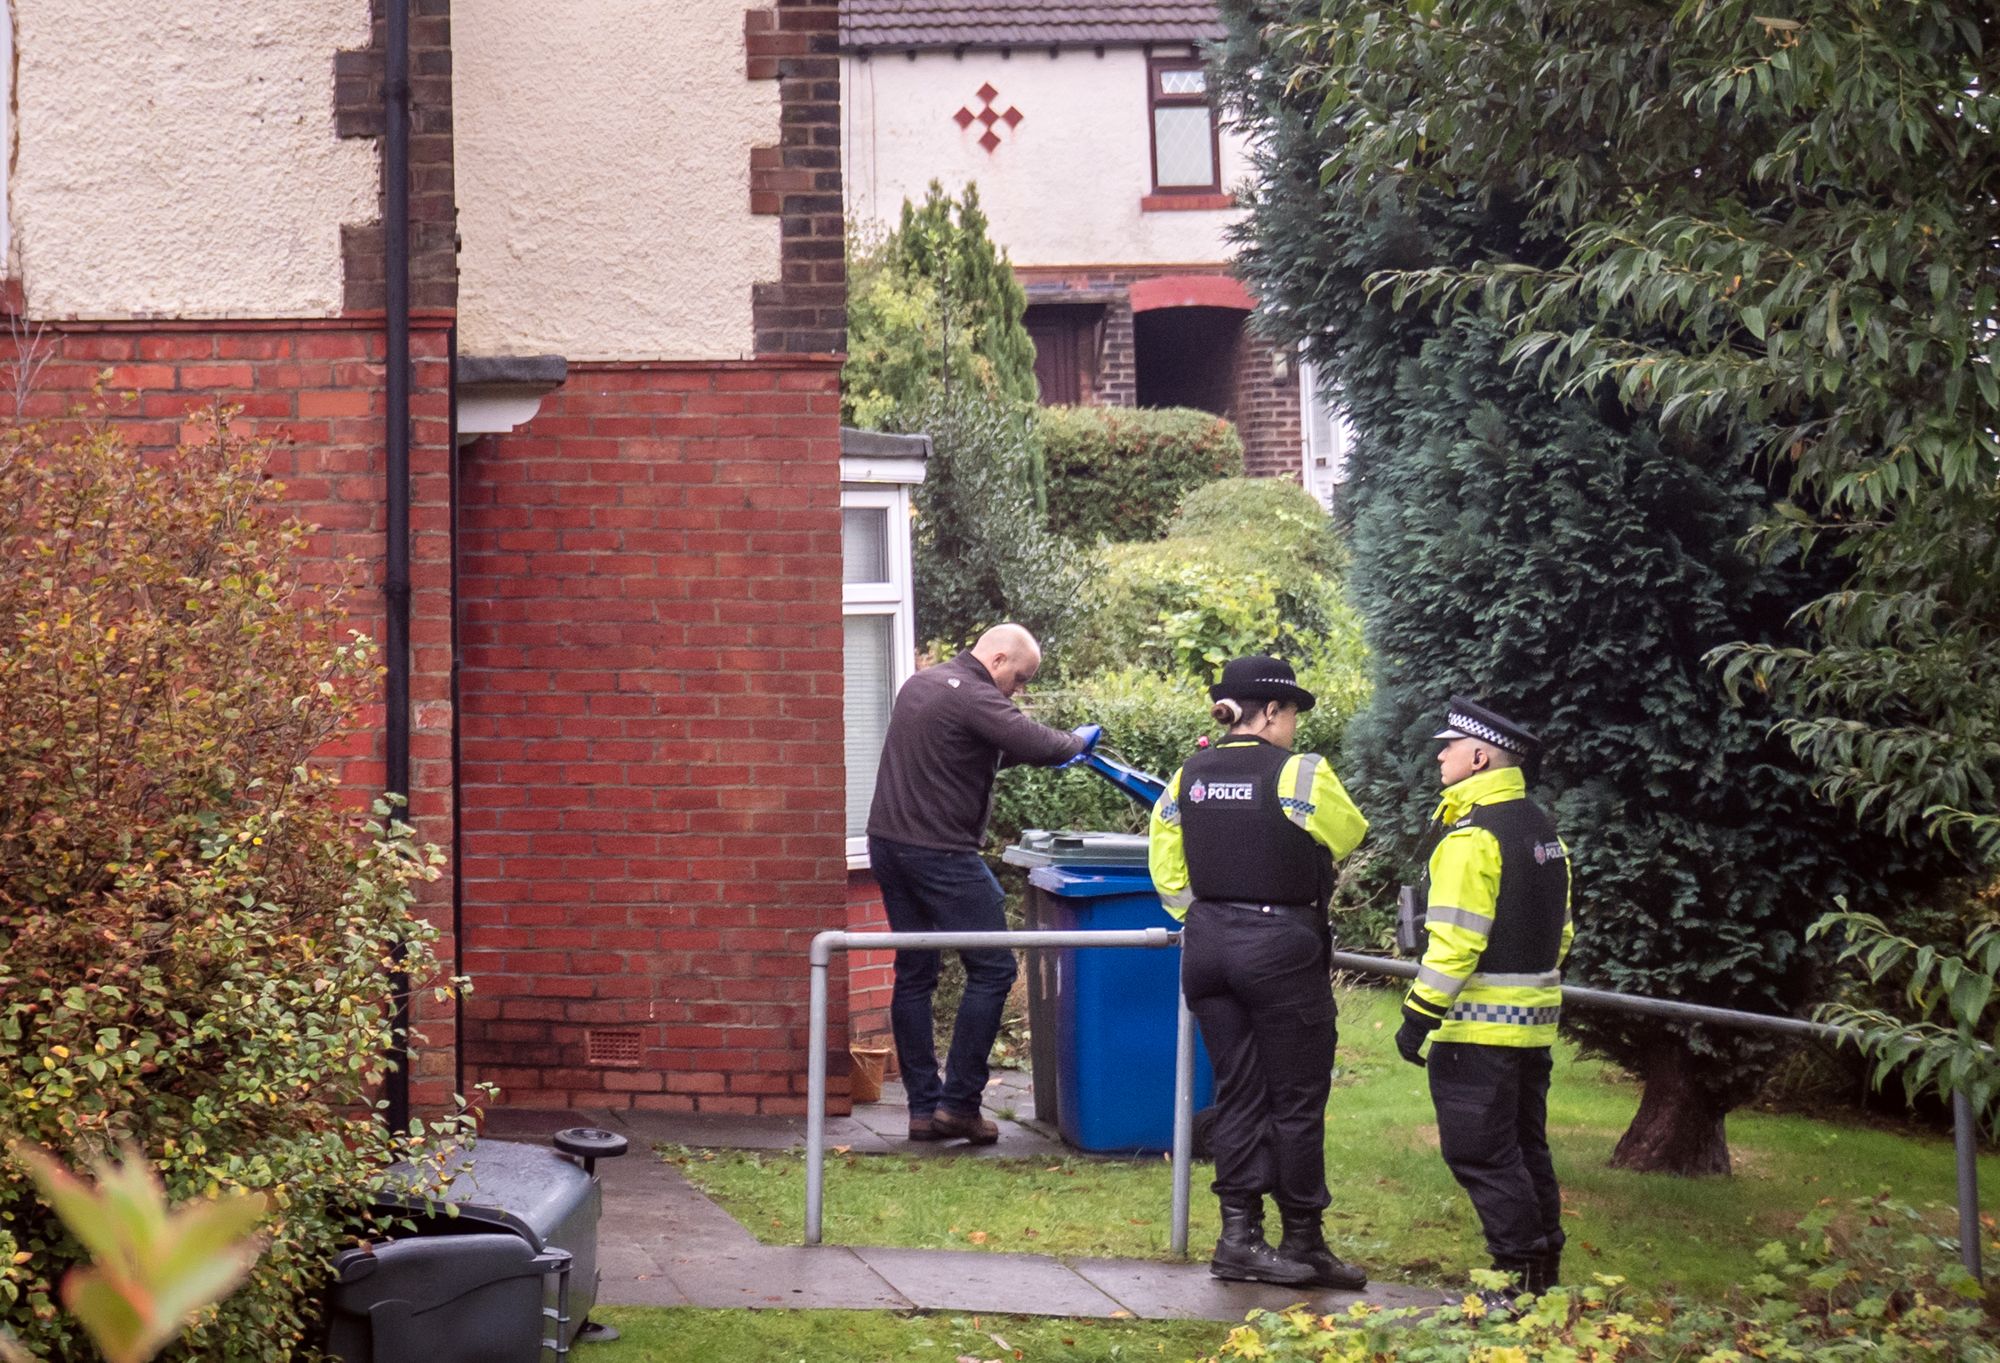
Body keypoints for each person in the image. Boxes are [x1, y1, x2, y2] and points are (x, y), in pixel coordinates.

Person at [1147, 655, 1370, 1288]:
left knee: (1239, 1092)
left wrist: (1201, 910)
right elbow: (1349, 832)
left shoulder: (1187, 774)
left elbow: (1163, 856)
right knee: (1297, 1099)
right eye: (1293, 712)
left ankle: (1239, 1239)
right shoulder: (1300, 773)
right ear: (1270, 710)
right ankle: (1304, 1241)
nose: (1295, 725)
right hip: (1280, 946)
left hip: (1209, 946)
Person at [867, 622, 1100, 1144]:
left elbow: (988, 745)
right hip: (938, 851)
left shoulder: (923, 684)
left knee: (915, 971)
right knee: (993, 967)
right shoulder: (971, 692)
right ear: (997, 661)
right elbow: (1035, 742)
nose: (1019, 691)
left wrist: (1048, 746)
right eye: (1019, 679)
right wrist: (1073, 742)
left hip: (888, 843)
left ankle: (924, 1111)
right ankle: (959, 1106)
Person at [1394, 696, 1573, 1308]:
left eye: (1447, 747)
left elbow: (1454, 945)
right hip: (1533, 1029)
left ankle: (1514, 1286)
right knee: (1525, 1150)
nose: (1439, 755)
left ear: (1478, 757)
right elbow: (1563, 930)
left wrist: (1416, 1018)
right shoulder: (1540, 827)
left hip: (1477, 1035)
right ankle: (1543, 1276)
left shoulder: (1472, 837)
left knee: (1482, 1154)